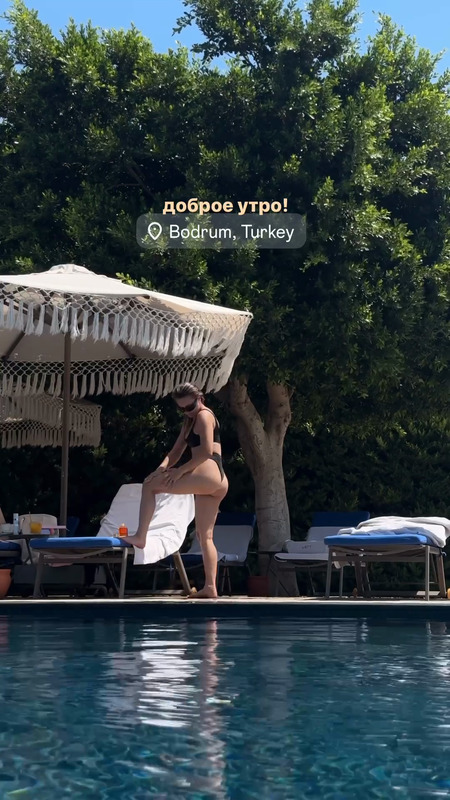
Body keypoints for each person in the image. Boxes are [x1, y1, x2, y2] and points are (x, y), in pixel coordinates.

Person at [123, 383, 228, 598]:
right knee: (205, 536)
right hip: (216, 482)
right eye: (182, 409)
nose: (187, 411)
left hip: (209, 471)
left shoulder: (204, 416)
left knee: (149, 487)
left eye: (190, 406)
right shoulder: (189, 421)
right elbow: (176, 451)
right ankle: (210, 587)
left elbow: (206, 452)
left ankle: (141, 536)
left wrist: (179, 471)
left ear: (200, 398)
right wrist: (160, 469)